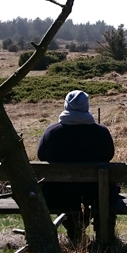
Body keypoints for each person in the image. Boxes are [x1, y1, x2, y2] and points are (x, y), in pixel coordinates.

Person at [37, 90, 117, 241]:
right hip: (95, 194)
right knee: (110, 188)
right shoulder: (101, 133)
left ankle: (74, 232)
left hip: (57, 194)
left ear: (66, 105)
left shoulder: (51, 133)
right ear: (86, 106)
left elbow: (41, 156)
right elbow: (109, 155)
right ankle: (102, 237)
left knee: (66, 199)